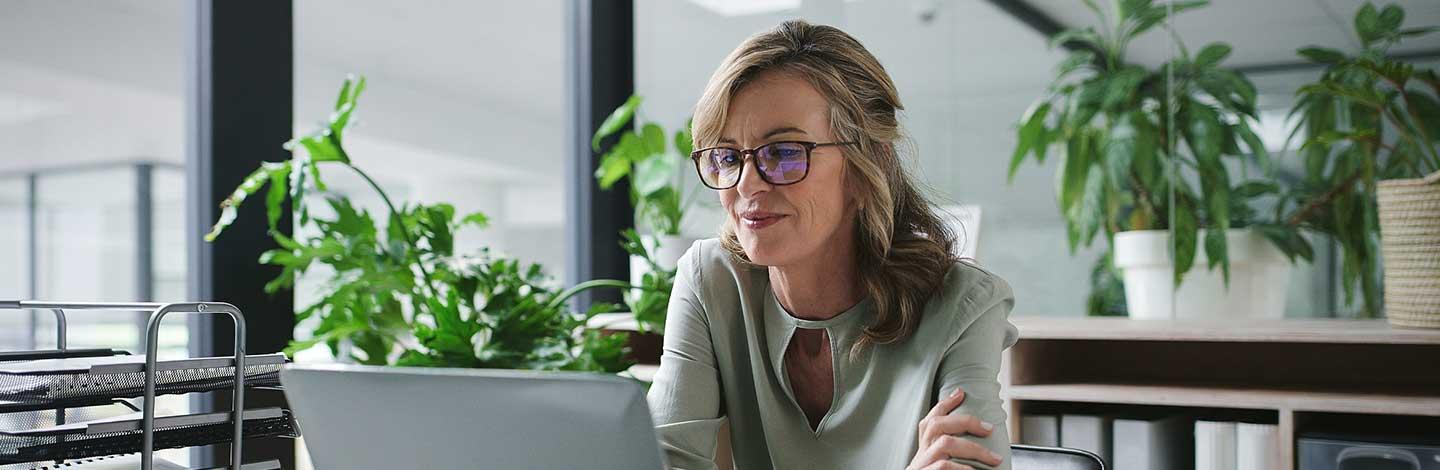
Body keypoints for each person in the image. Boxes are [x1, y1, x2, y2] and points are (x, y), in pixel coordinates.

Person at [646, 19, 1019, 470]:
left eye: (783, 152)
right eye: (727, 157)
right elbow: (660, 463)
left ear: (867, 168)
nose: (747, 184)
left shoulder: (963, 305)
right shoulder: (712, 280)